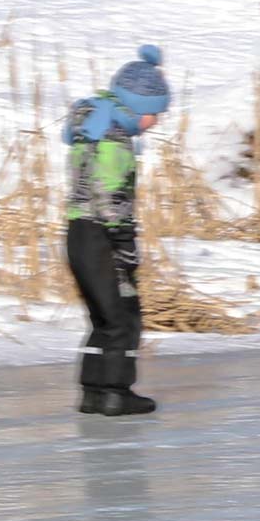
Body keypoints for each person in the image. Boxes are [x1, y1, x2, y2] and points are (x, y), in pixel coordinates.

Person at [64, 46, 170, 417]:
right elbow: (109, 196)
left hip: (78, 233)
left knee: (102, 316)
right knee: (125, 314)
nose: (155, 122)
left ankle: (93, 389)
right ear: (135, 108)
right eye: (154, 113)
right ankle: (116, 391)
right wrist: (124, 241)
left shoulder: (89, 133)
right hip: (103, 237)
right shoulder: (113, 142)